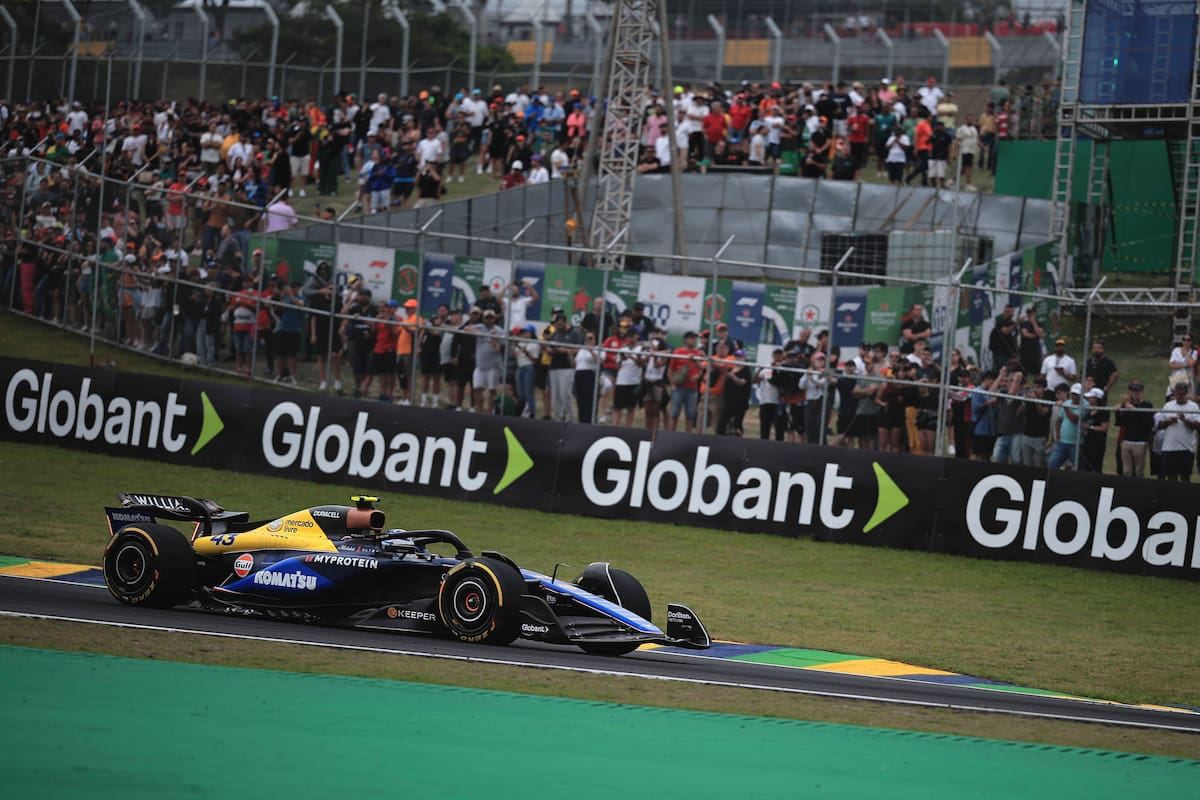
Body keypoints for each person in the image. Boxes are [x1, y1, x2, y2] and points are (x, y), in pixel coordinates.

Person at [1155, 382, 1200, 481]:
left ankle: (1185, 496)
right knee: (1171, 477)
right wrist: (1169, 421)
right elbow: (1159, 425)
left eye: (1181, 394)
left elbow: (1198, 426)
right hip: (1169, 448)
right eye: (1177, 394)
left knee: (1185, 477)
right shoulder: (1168, 406)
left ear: (1186, 393)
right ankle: (1172, 496)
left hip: (1186, 448)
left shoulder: (1193, 407)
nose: (1179, 396)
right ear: (1174, 393)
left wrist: (1186, 421)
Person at [547, 307, 581, 422]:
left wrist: (566, 350)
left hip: (567, 366)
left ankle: (570, 417)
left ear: (564, 322)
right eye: (556, 324)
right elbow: (549, 346)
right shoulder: (555, 332)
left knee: (565, 393)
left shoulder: (574, 333)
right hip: (554, 365)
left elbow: (578, 348)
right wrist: (551, 349)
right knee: (555, 394)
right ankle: (558, 417)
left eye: (559, 324)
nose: (558, 326)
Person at [1115, 381, 1154, 478]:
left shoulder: (1147, 405)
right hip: (1126, 442)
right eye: (1133, 391)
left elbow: (1149, 423)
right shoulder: (1126, 406)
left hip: (1140, 443)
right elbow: (1119, 423)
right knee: (1126, 471)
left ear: (1142, 392)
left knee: (1138, 472)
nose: (1135, 393)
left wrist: (1134, 410)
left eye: (1137, 391)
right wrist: (1119, 411)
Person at [667, 331, 705, 433]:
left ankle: (687, 437)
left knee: (690, 415)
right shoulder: (678, 352)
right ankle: (670, 436)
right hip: (679, 388)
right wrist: (672, 384)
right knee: (674, 414)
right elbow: (670, 369)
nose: (694, 340)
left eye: (695, 338)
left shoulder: (697, 353)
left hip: (692, 388)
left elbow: (701, 368)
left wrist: (698, 375)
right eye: (692, 338)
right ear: (686, 339)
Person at [1048, 383, 1088, 470]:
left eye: (1077, 395)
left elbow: (1074, 419)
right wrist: (1057, 435)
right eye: (1073, 394)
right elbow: (1059, 420)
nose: (1074, 396)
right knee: (1052, 464)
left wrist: (1066, 408)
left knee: (1078, 467)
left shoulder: (1085, 405)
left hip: (1075, 443)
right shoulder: (1068, 403)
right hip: (1062, 442)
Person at [1081, 386, 1110, 472]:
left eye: (1091, 397)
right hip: (1086, 442)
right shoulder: (1087, 410)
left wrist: (1090, 427)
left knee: (1096, 466)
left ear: (1096, 399)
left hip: (1098, 443)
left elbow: (1104, 428)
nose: (1088, 399)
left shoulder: (1103, 412)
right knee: (1085, 465)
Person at [574, 331, 600, 424]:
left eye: (591, 338)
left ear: (595, 339)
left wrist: (591, 350)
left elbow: (600, 361)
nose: (588, 340)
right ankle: (581, 420)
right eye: (587, 338)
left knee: (589, 399)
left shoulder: (598, 348)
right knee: (580, 399)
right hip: (579, 374)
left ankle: (590, 420)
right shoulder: (581, 350)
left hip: (590, 374)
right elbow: (575, 363)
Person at [989, 304, 1019, 370]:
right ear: (1004, 312)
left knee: (1012, 370)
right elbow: (1005, 331)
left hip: (1011, 353)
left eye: (1011, 311)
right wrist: (1017, 323)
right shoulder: (1000, 323)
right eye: (1008, 311)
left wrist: (1017, 353)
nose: (1010, 313)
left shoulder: (1013, 324)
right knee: (1003, 370)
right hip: (1000, 353)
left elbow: (1015, 339)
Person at [1018, 305, 1045, 376]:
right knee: (1023, 373)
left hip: (1035, 352)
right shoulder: (1024, 323)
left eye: (1031, 312)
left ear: (1035, 313)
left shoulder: (1038, 323)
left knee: (1036, 373)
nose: (1029, 314)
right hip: (1025, 352)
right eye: (1028, 312)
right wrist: (1035, 335)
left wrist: (1033, 323)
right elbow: (1025, 334)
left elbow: (1040, 335)